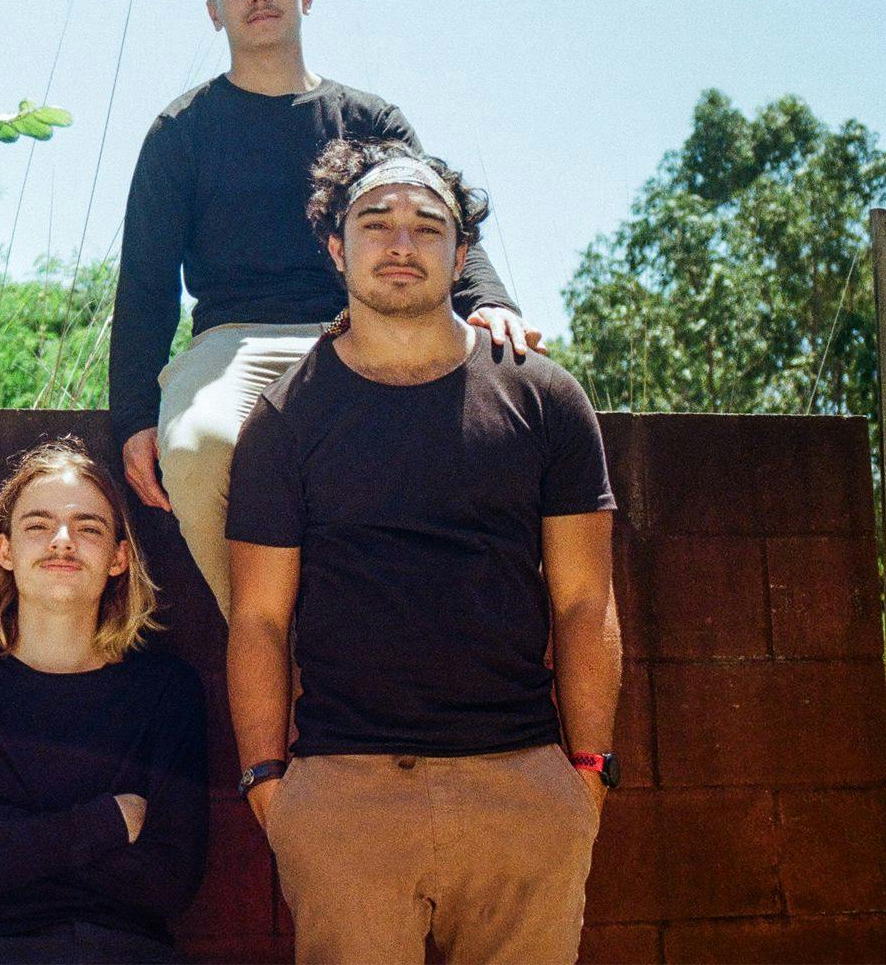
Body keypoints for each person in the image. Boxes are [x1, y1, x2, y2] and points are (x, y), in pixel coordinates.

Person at [225, 140, 622, 964]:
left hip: (523, 789)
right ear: (337, 248)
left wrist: (584, 776)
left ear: (461, 254)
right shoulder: (286, 418)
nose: (400, 244)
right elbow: (260, 618)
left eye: (426, 226)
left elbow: (585, 602)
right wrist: (270, 788)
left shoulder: (544, 398)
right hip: (348, 797)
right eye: (375, 222)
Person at [111, 0, 543, 615]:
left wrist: (489, 302)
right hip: (232, 343)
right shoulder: (180, 132)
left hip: (361, 333)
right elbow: (147, 284)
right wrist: (132, 416)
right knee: (196, 448)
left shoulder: (369, 121)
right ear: (214, 10)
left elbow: (430, 221)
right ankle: (274, 640)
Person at [0, 437, 209, 965]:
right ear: (6, 550)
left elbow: (169, 884)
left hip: (122, 952)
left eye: (89, 528)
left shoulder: (166, 692)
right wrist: (108, 822)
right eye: (38, 525)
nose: (62, 541)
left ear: (118, 557)